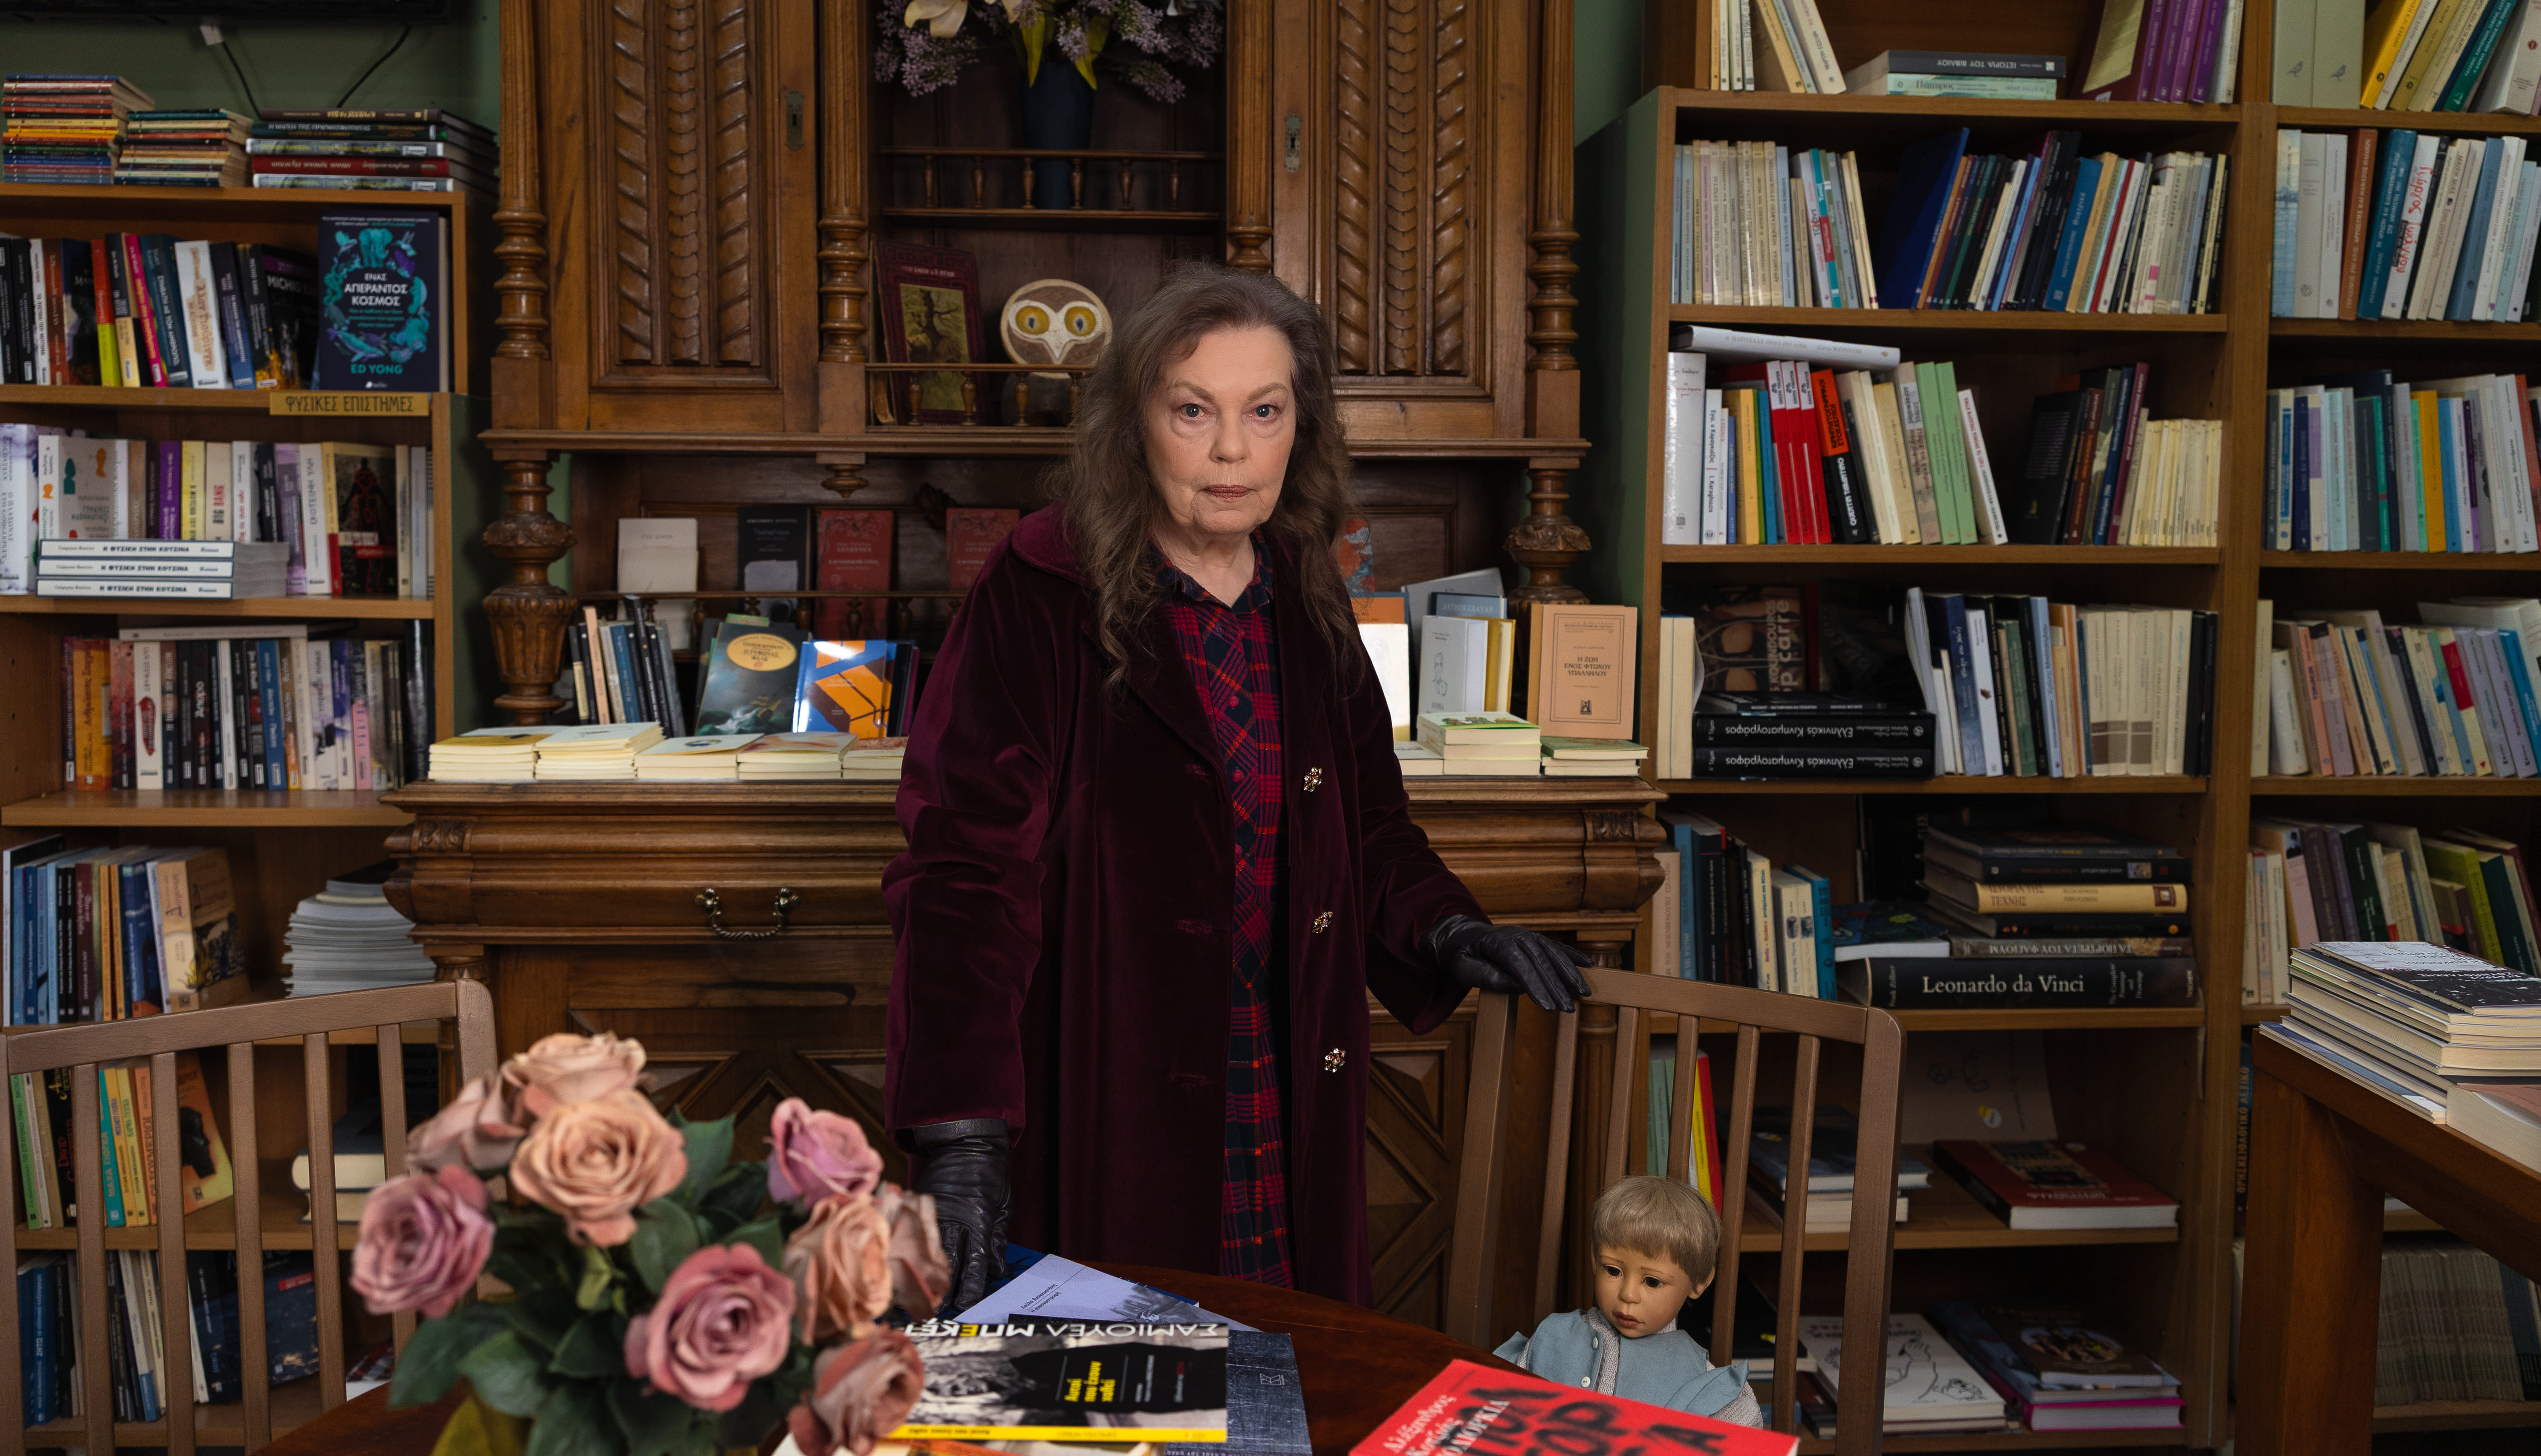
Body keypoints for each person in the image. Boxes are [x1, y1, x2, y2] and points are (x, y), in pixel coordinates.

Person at [883, 262, 1592, 1309]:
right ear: (1133, 425)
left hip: (1284, 1082)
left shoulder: (1304, 587)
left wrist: (1446, 928)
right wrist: (962, 1129)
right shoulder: (1041, 588)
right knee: (1124, 1374)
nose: (1232, 450)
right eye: (1192, 410)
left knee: (1289, 1363)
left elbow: (1368, 825)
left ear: (1300, 425)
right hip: (1116, 1095)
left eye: (1265, 411)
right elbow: (964, 871)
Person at [1494, 1176, 1760, 1424]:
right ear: (1595, 1260)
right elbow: (1495, 1402)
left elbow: (1744, 1435)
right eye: (1613, 1271)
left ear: (1699, 1281)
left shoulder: (1695, 1372)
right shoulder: (1553, 1334)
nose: (1628, 1295)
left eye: (1652, 1282)